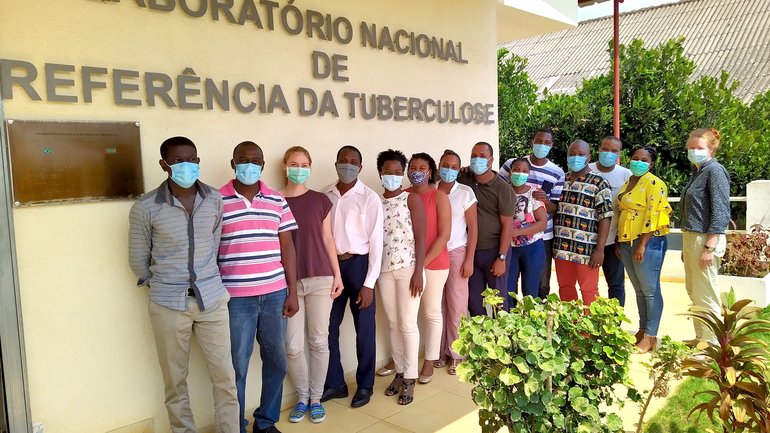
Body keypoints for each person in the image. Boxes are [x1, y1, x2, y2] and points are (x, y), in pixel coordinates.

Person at [128, 136, 239, 433]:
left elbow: (213, 244)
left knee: (225, 377)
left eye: (191, 159)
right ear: (164, 164)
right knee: (175, 382)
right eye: (177, 161)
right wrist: (164, 285)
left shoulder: (214, 199)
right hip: (168, 304)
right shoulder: (146, 207)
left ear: (198, 161)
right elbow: (138, 260)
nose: (186, 165)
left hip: (212, 300)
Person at [218, 141, 299, 433]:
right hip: (236, 298)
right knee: (236, 367)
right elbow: (210, 249)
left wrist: (292, 291)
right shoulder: (217, 200)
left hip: (275, 293)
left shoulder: (277, 199)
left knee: (276, 360)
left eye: (255, 161)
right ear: (233, 163)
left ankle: (265, 423)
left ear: (263, 166)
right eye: (243, 159)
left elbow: (287, 247)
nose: (249, 165)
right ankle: (235, 425)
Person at [281, 146, 343, 424]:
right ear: (284, 166)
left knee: (318, 341)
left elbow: (329, 240)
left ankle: (316, 398)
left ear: (310, 166)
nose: (299, 168)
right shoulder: (274, 200)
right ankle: (302, 396)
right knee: (292, 346)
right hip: (288, 283)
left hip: (321, 277)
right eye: (294, 163)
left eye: (304, 163)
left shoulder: (321, 200)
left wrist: (338, 275)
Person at [321, 145, 384, 409]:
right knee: (326, 328)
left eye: (353, 162)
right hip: (333, 268)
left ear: (360, 166)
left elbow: (377, 243)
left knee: (364, 331)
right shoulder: (326, 195)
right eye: (343, 161)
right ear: (336, 163)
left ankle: (365, 385)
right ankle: (335, 383)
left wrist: (369, 284)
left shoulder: (369, 198)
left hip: (359, 267)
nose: (347, 165)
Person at [376, 149, 426, 405]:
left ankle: (410, 378)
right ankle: (398, 371)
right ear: (380, 173)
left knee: (407, 323)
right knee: (393, 324)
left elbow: (421, 237)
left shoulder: (411, 200)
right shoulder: (375, 202)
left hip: (409, 269)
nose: (393, 176)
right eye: (388, 172)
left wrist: (419, 272)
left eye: (397, 173)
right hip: (384, 271)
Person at [615, 147, 671, 353]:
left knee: (650, 290)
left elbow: (654, 214)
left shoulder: (655, 183)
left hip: (647, 241)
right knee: (639, 290)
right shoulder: (628, 181)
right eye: (635, 158)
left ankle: (651, 336)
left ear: (651, 164)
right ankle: (642, 330)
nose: (638, 162)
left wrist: (643, 244)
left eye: (643, 160)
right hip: (627, 241)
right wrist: (620, 240)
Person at [500, 128, 565, 299]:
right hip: (508, 242)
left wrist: (545, 200)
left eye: (546, 142)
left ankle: (537, 321)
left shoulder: (557, 173)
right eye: (538, 141)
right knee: (508, 286)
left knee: (538, 285)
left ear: (551, 145)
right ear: (532, 142)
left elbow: (554, 208)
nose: (541, 145)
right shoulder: (510, 164)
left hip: (540, 239)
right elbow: (496, 188)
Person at [680, 128, 730, 347]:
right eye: (691, 148)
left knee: (706, 293)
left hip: (705, 239)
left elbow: (721, 210)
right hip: (692, 237)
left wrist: (709, 246)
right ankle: (701, 338)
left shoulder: (715, 171)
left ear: (711, 148)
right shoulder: (698, 171)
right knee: (694, 290)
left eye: (699, 148)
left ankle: (711, 345)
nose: (694, 151)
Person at [404, 152, 451, 383]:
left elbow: (443, 236)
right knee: (405, 318)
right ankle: (404, 361)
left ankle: (430, 360)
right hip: (406, 266)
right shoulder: (402, 196)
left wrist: (421, 265)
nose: (416, 171)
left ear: (430, 172)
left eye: (422, 168)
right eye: (412, 167)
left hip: (435, 264)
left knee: (432, 311)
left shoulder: (439, 197)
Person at [458, 142, 515, 315]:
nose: (477, 160)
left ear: (491, 160)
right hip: (471, 252)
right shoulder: (464, 180)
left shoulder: (503, 188)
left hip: (494, 251)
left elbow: (507, 225)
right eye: (474, 155)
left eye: (482, 156)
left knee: (498, 302)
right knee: (474, 302)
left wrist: (501, 258)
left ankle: (503, 341)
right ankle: (482, 341)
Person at [553, 139, 613, 306]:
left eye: (580, 154)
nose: (575, 158)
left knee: (589, 290)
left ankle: (590, 331)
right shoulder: (561, 180)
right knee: (565, 287)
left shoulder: (599, 182)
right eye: (572, 154)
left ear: (589, 157)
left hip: (586, 250)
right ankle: (571, 327)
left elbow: (605, 216)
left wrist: (600, 250)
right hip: (562, 248)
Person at [436, 150, 478, 375]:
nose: (449, 170)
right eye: (445, 165)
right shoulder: (431, 190)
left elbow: (473, 228)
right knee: (437, 306)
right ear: (438, 165)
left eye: (454, 166)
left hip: (457, 252)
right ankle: (441, 351)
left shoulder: (465, 192)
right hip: (435, 253)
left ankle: (458, 353)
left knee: (457, 304)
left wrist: (469, 258)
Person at [588, 136, 632, 305]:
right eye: (605, 149)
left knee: (616, 286)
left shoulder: (625, 175)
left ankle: (615, 325)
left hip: (613, 241)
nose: (609, 153)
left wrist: (622, 239)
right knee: (589, 285)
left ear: (619, 154)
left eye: (614, 151)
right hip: (587, 241)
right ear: (598, 149)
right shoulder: (587, 170)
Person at [506, 158, 548, 302]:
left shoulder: (534, 193)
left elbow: (542, 223)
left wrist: (517, 232)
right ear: (510, 171)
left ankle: (530, 322)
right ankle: (510, 322)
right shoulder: (503, 191)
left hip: (533, 248)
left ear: (529, 173)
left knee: (530, 292)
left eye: (524, 171)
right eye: (516, 170)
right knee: (507, 290)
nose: (520, 174)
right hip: (509, 249)